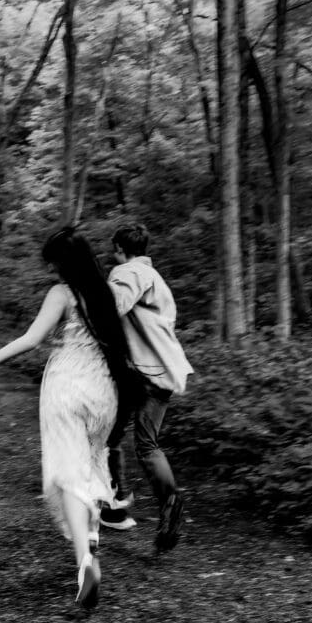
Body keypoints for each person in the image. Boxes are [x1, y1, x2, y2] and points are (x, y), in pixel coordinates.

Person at [0, 227, 142, 609]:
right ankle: (91, 534)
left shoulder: (61, 294)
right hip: (104, 393)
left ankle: (85, 563)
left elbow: (32, 339)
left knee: (67, 475)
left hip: (66, 388)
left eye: (53, 263)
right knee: (91, 463)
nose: (52, 270)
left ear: (63, 264)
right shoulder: (109, 294)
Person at [102, 222, 193, 552]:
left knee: (109, 437)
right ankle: (166, 502)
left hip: (142, 373)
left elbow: (112, 307)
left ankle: (116, 503)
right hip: (164, 372)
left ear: (119, 248)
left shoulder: (128, 272)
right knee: (145, 444)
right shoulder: (156, 279)